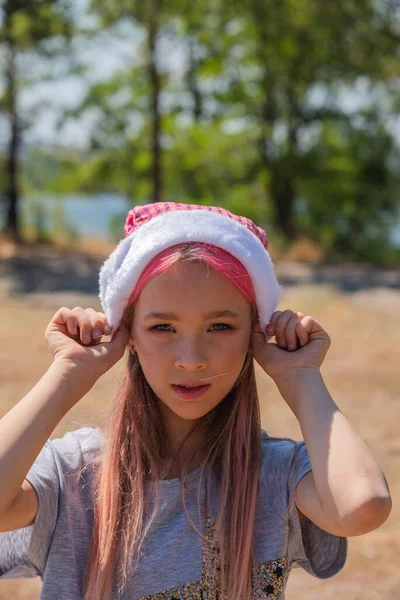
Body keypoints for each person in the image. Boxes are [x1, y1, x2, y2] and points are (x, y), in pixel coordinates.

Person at [0, 202, 392, 600]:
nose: (191, 359)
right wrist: (66, 375)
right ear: (128, 333)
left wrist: (302, 376)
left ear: (255, 334)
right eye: (163, 327)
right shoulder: (77, 474)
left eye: (220, 326)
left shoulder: (273, 474)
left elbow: (362, 507)